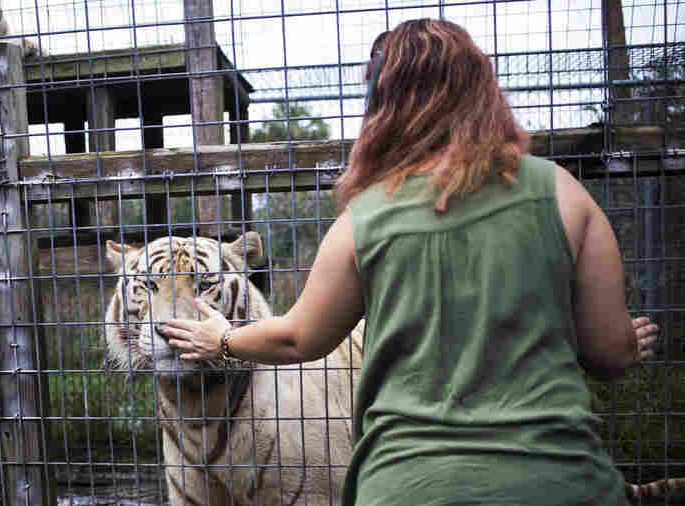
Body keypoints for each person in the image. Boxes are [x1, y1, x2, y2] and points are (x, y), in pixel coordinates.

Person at [160, 18, 659, 505]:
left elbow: (297, 338)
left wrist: (220, 339)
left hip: (408, 484)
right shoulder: (562, 193)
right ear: (484, 91)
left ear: (381, 106)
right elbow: (610, 354)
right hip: (559, 480)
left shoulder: (364, 218)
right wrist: (617, 343)